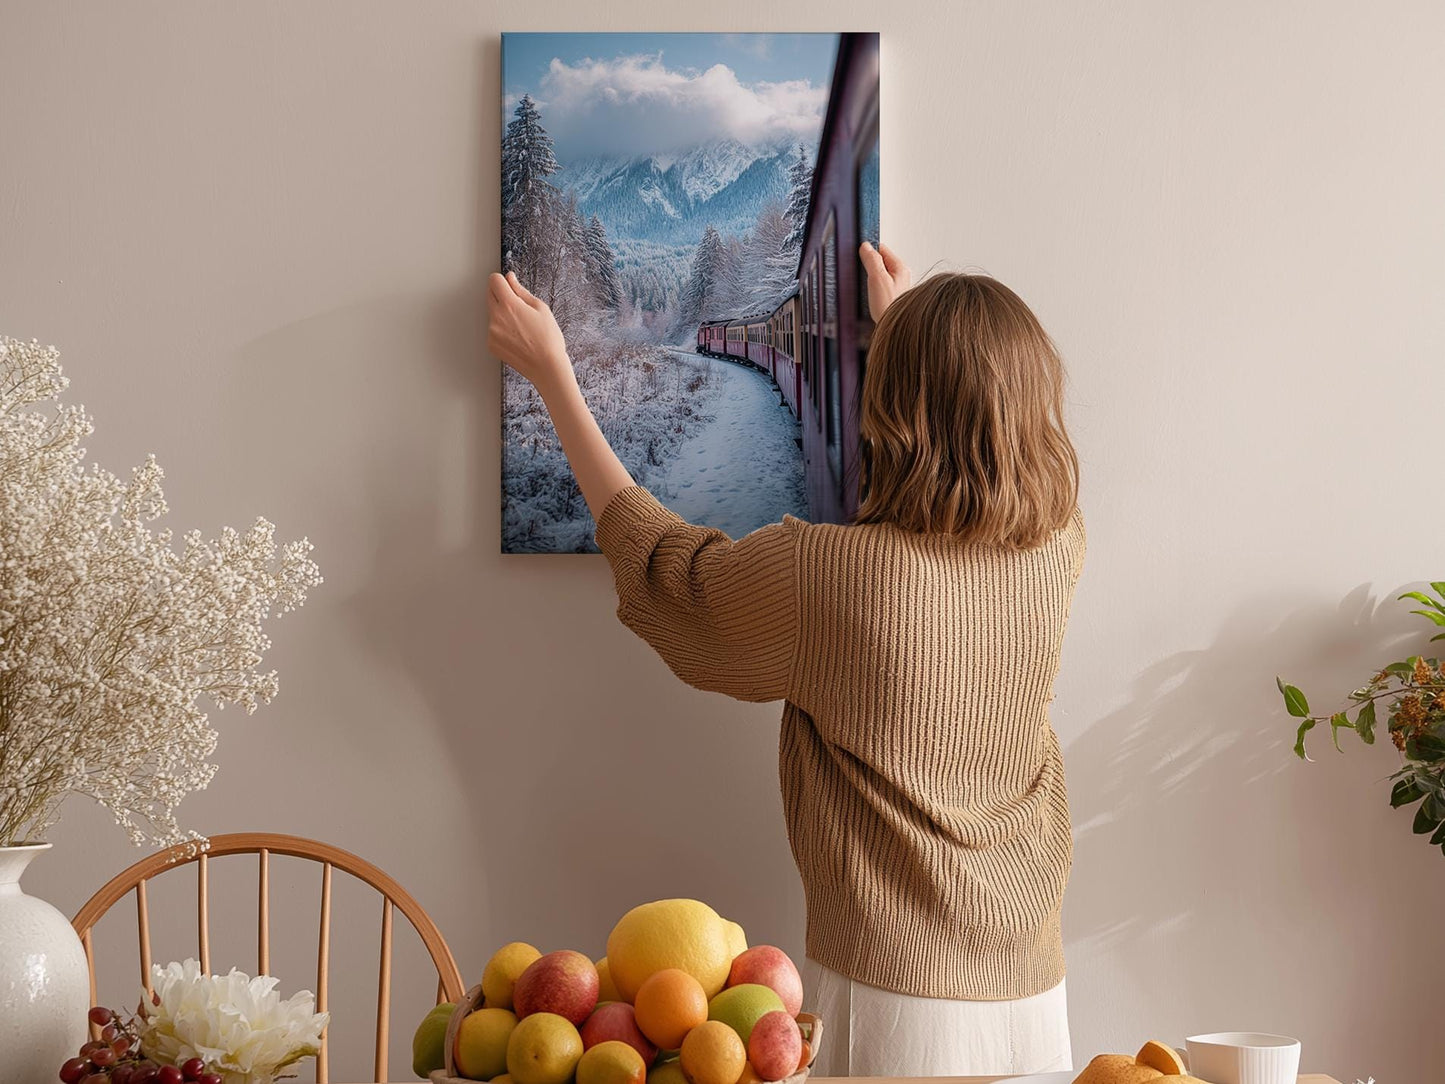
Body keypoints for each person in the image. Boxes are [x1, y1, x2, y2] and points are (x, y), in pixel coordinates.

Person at [486, 241, 1085, 1077]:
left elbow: (669, 572)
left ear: (893, 403)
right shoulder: (1056, 549)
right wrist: (909, 328)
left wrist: (555, 377)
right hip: (1033, 987)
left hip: (893, 997)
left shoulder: (828, 575)